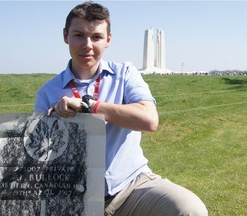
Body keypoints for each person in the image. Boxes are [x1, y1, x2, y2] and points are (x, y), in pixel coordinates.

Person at [34, 1, 208, 215]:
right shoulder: (47, 93)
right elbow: (41, 156)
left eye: (96, 37)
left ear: (108, 39)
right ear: (65, 36)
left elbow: (149, 120)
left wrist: (89, 106)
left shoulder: (125, 74)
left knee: (189, 209)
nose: (87, 44)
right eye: (79, 35)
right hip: (74, 197)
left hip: (131, 187)